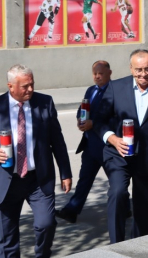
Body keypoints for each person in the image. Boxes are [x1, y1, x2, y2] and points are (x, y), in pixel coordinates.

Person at [0, 64, 72, 258]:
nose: (30, 89)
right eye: (25, 86)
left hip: (38, 179)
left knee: (46, 224)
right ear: (11, 86)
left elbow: (57, 140)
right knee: (7, 235)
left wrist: (65, 172)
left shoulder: (44, 102)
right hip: (8, 180)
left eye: (32, 84)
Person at [95, 50, 148, 243]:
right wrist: (113, 139)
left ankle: (137, 247)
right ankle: (116, 245)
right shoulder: (115, 87)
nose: (143, 74)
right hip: (118, 155)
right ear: (131, 69)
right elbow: (99, 121)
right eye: (138, 70)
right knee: (118, 192)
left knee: (143, 205)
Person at [55, 61, 112, 224]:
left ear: (110, 73)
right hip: (89, 145)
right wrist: (80, 120)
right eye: (94, 73)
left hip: (106, 146)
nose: (97, 76)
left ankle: (125, 208)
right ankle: (71, 210)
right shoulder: (91, 90)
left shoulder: (114, 91)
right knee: (85, 179)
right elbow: (82, 109)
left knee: (116, 182)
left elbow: (113, 115)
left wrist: (93, 123)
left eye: (100, 73)